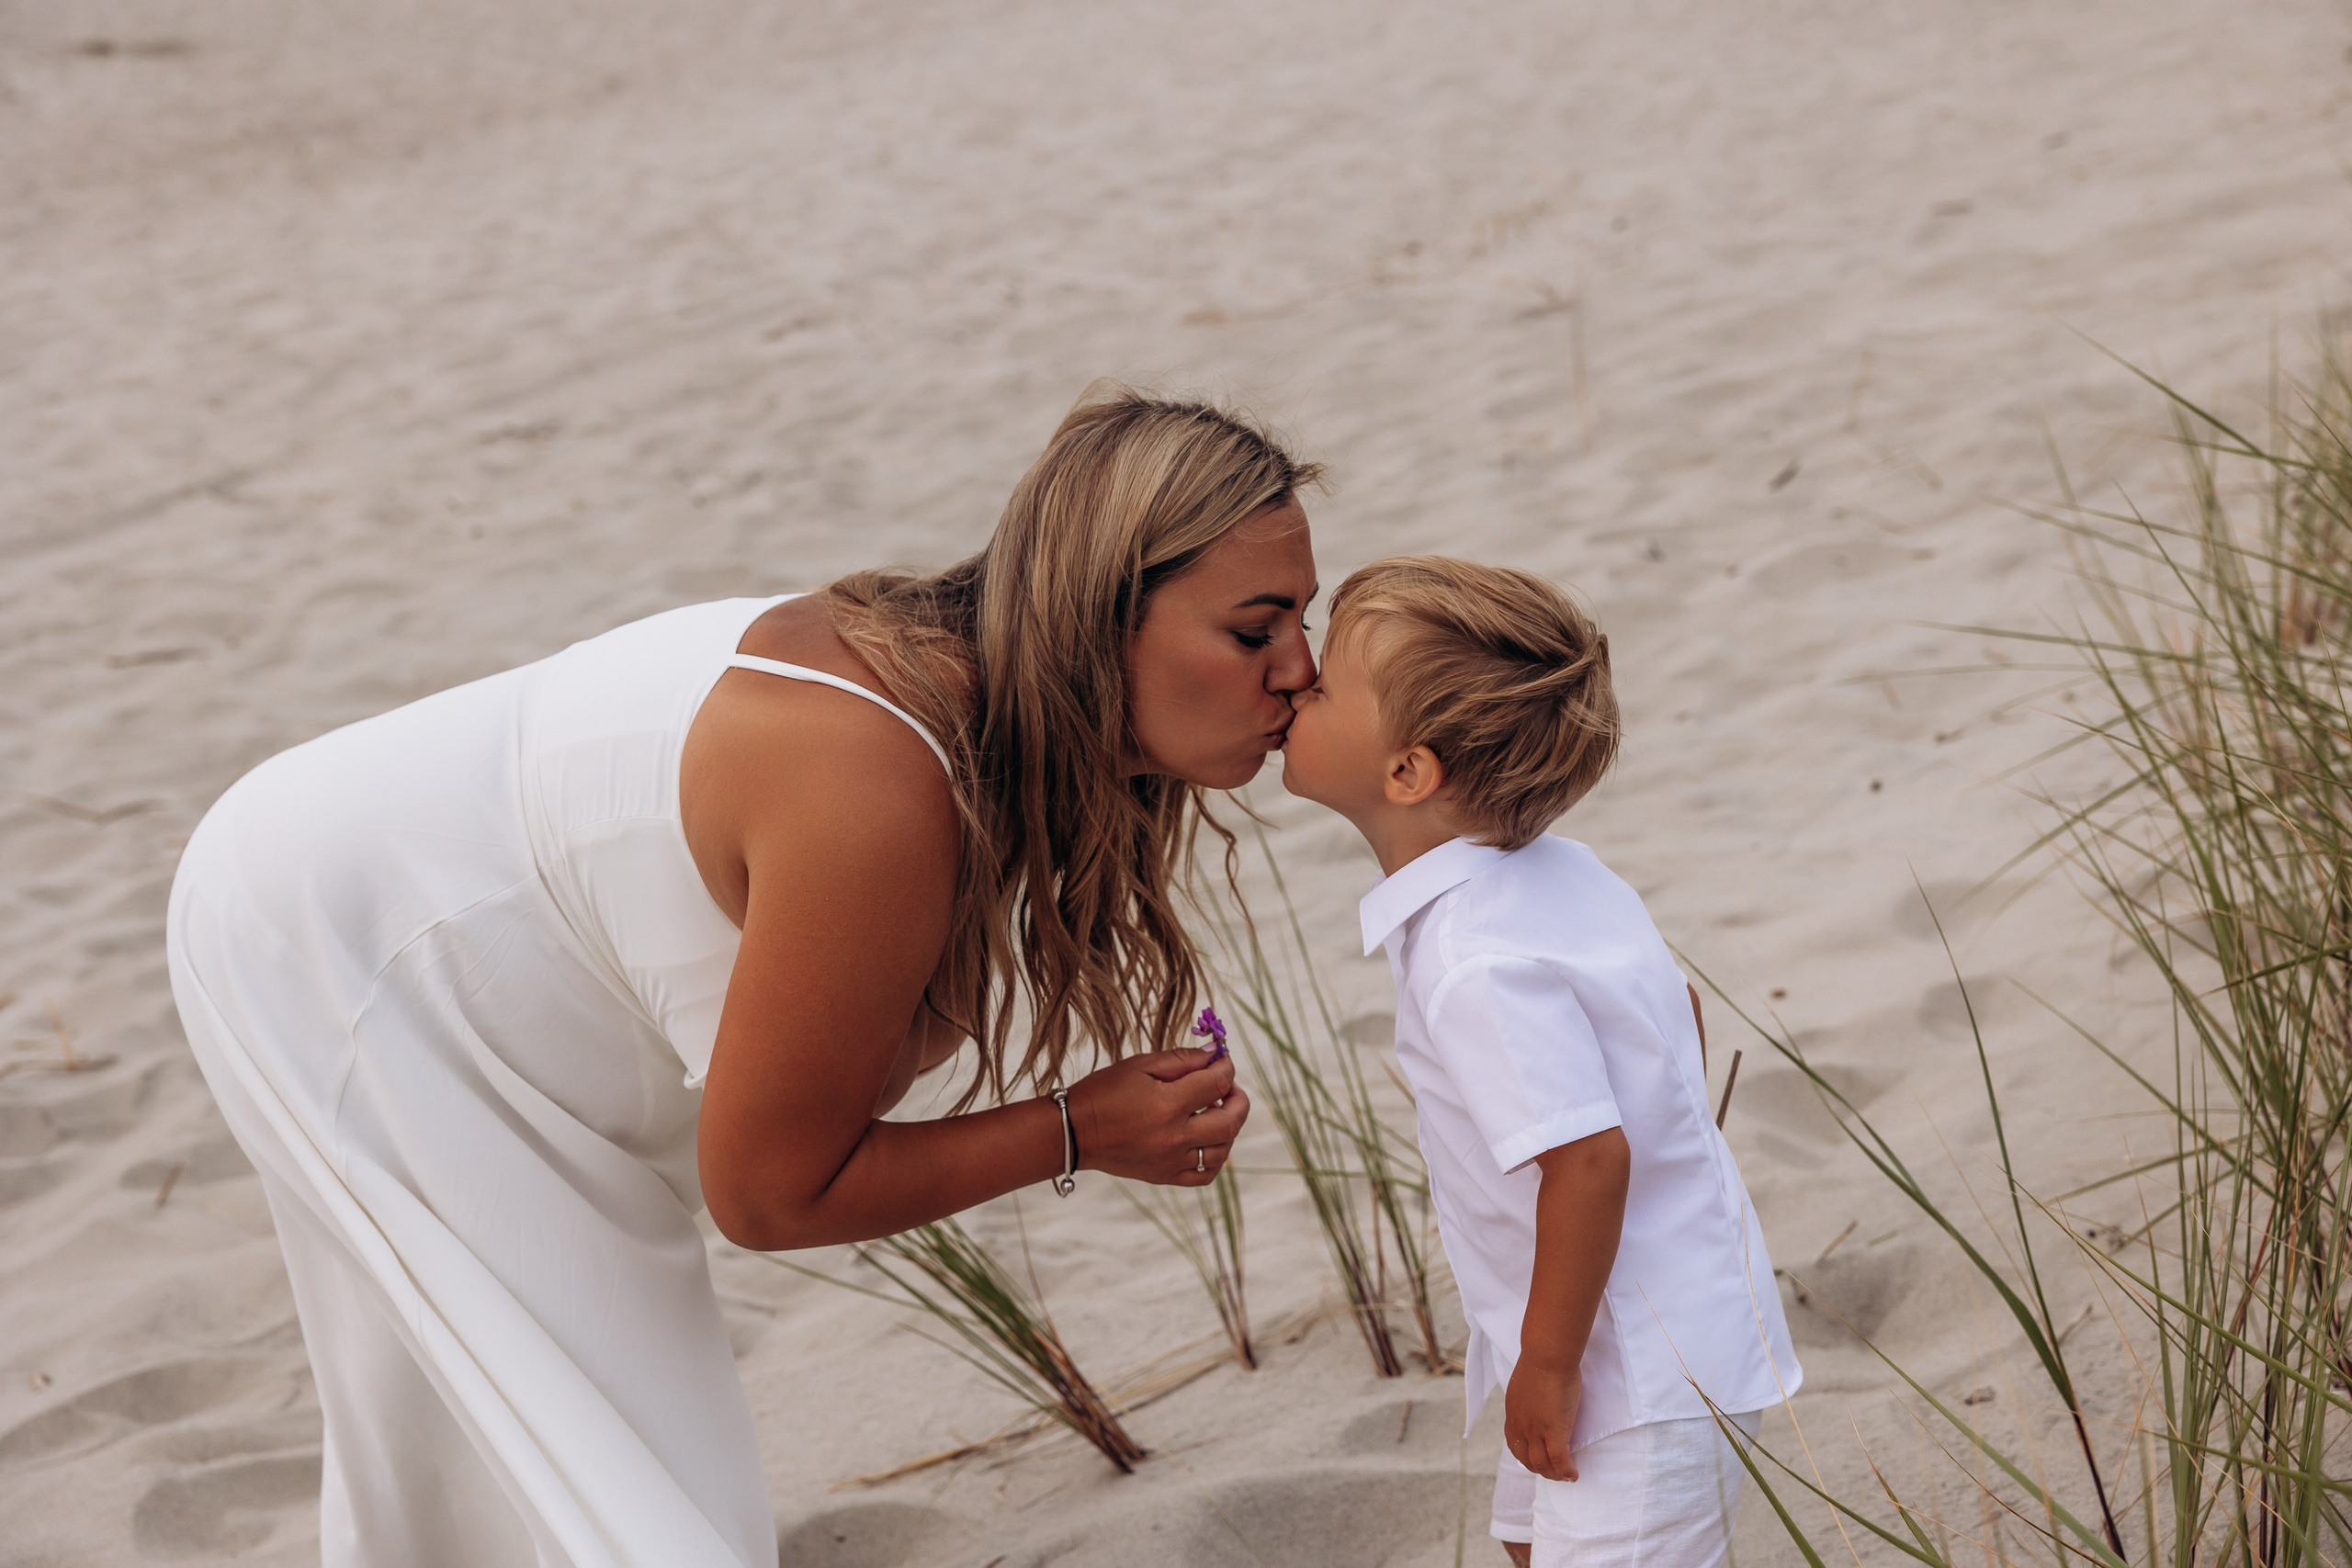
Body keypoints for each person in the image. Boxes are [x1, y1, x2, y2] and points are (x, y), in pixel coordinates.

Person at [164, 385, 1321, 1568]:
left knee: (517, 1475)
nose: (1299, 672)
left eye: (1302, 626)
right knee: (604, 1492)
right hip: (354, 945)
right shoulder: (877, 779)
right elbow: (771, 1195)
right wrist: (1077, 1129)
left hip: (454, 956)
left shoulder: (967, 710)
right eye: (1253, 631)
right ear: (1096, 616)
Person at [1278, 556, 1802, 1567]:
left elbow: (1590, 1160)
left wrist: (1551, 1365)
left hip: (1623, 1375)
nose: (1297, 680)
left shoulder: (1474, 961)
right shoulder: (1561, 871)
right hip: (1629, 1331)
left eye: (1326, 681)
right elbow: (1673, 1012)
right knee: (1529, 1547)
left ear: (1407, 773)